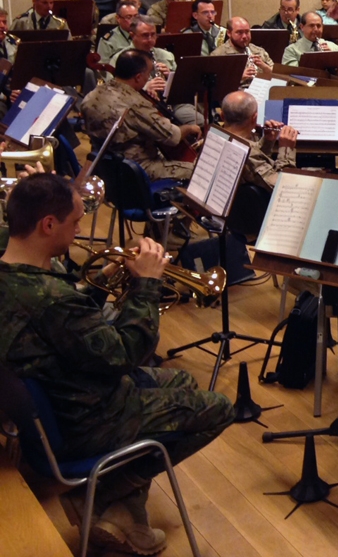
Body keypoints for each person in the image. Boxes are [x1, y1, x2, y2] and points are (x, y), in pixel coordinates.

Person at [0, 175, 233, 554]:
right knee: (220, 408)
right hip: (87, 419)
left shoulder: (16, 273)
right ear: (47, 224)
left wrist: (104, 279)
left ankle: (125, 515)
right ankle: (106, 491)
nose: (79, 230)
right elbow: (126, 354)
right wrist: (146, 284)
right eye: (75, 222)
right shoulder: (51, 300)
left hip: (62, 397)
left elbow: (71, 330)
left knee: (183, 383)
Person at [80, 49, 201, 181]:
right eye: (148, 74)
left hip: (106, 168)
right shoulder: (136, 104)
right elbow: (172, 137)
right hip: (137, 169)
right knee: (200, 171)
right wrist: (189, 128)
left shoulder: (91, 96)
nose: (148, 78)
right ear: (138, 77)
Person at [110, 16, 201, 126]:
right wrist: (144, 89)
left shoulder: (166, 55)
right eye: (145, 35)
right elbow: (114, 93)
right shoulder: (120, 59)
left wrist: (171, 76)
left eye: (153, 34)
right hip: (141, 108)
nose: (150, 40)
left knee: (199, 121)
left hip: (173, 105)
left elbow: (183, 89)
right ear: (132, 35)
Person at [219, 91, 297, 192]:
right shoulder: (245, 152)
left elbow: (255, 166)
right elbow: (284, 187)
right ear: (254, 118)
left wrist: (268, 141)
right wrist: (286, 151)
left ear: (222, 116)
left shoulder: (212, 139)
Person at [210, 16, 274, 87]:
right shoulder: (219, 54)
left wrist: (264, 66)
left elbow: (278, 76)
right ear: (229, 33)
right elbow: (214, 85)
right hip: (236, 94)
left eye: (247, 32)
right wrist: (239, 77)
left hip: (261, 90)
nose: (244, 36)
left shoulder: (259, 51)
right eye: (239, 32)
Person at [95, 0, 139, 66]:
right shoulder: (108, 41)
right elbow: (102, 68)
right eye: (129, 17)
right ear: (118, 18)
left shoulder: (144, 35)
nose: (134, 21)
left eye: (136, 16)